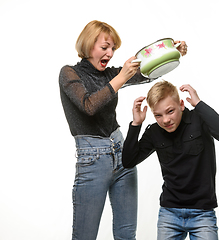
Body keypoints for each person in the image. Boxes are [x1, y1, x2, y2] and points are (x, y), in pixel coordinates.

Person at [59, 20, 187, 240]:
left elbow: (143, 73)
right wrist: (121, 77)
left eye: (113, 49)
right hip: (92, 161)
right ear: (89, 45)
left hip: (122, 155)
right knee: (84, 236)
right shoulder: (69, 74)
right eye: (105, 47)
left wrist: (172, 53)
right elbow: (88, 106)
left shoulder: (109, 75)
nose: (110, 53)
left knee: (126, 234)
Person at [122, 80, 219, 240]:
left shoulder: (199, 119)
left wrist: (199, 104)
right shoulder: (154, 131)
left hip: (202, 213)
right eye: (158, 115)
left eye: (170, 111)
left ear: (181, 105)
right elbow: (128, 161)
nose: (165, 120)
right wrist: (136, 124)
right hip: (169, 213)